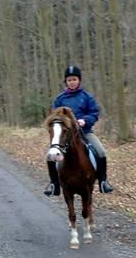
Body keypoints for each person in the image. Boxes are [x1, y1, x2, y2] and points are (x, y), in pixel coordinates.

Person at [45, 65, 114, 196]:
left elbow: (94, 113)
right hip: (65, 135)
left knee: (101, 151)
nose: (72, 82)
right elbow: (55, 116)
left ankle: (103, 181)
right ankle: (54, 184)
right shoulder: (60, 99)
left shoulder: (87, 97)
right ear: (66, 82)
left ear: (79, 80)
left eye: (74, 79)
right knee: (50, 155)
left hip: (85, 132)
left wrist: (85, 120)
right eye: (69, 80)